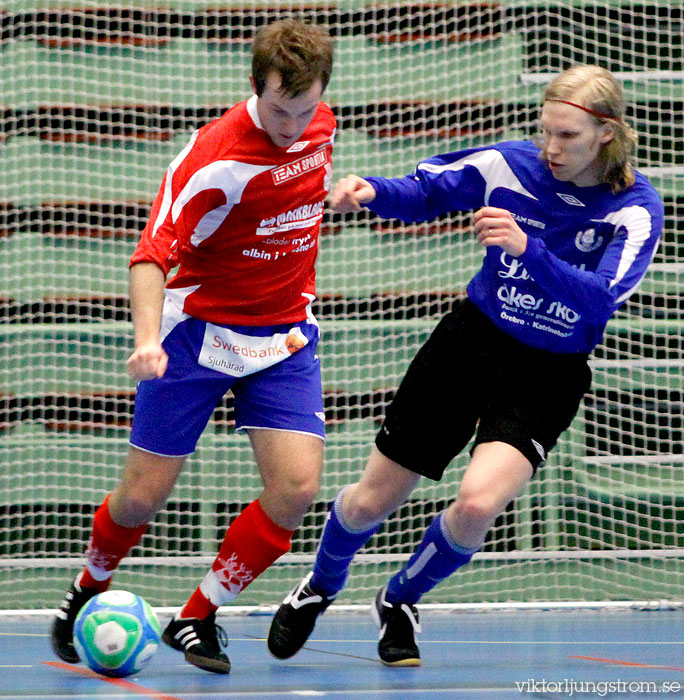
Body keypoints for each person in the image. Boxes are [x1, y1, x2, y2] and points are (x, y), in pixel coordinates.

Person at [266, 65, 664, 667]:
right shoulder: (510, 165)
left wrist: (529, 250)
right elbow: (426, 191)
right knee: (371, 501)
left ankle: (400, 600)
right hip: (470, 345)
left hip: (548, 371)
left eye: (569, 137)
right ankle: (319, 584)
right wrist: (371, 191)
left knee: (478, 506)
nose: (552, 149)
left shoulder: (634, 209)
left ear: (606, 133)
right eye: (546, 132)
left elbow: (600, 299)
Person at [50, 18, 335, 675]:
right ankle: (88, 586)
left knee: (295, 489)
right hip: (195, 334)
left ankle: (196, 615)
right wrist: (147, 341)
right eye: (277, 109)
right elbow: (151, 255)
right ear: (253, 87)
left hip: (283, 333)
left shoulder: (322, 126)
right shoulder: (216, 157)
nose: (291, 125)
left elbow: (299, 188)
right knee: (141, 498)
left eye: (305, 108)